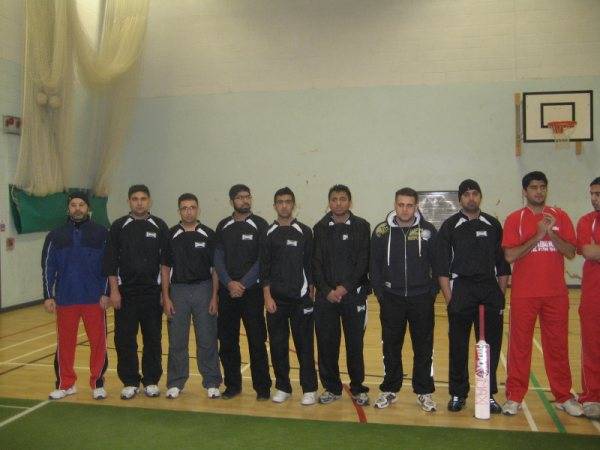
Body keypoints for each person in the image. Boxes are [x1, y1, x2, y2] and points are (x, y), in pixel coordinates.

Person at [502, 171, 582, 416]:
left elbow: (570, 252)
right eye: (534, 187)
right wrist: (537, 235)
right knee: (520, 347)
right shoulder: (515, 218)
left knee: (557, 346)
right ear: (524, 191)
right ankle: (514, 396)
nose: (539, 191)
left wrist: (551, 233)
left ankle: (563, 396)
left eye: (543, 187)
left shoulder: (561, 216)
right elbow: (510, 256)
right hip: (525, 294)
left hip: (556, 293)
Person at [434, 179, 510, 413]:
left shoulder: (493, 224)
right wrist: (450, 299)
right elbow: (441, 267)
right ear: (460, 199)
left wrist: (499, 294)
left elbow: (503, 265)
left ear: (480, 197)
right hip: (461, 291)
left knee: (488, 347)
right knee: (458, 345)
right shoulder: (450, 226)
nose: (471, 198)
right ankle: (458, 393)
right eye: (466, 194)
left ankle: (486, 394)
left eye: (475, 194)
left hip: (489, 290)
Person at [370, 187, 438, 411]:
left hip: (421, 299)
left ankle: (424, 391)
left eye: (410, 205)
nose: (405, 209)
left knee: (423, 347)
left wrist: (431, 292)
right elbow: (375, 266)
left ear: (416, 206)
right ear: (395, 204)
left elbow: (438, 264)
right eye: (401, 204)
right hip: (391, 299)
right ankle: (390, 389)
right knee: (390, 347)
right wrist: (381, 294)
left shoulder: (428, 231)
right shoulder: (381, 232)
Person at [103, 184, 169, 400]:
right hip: (126, 294)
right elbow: (111, 262)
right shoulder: (119, 226)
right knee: (124, 339)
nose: (139, 202)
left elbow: (166, 264)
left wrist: (164, 293)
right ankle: (130, 381)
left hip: (152, 294)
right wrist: (114, 291)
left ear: (149, 201)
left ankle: (151, 380)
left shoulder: (159, 226)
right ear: (129, 201)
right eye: (134, 199)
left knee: (153, 339)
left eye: (143, 198)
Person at [42, 192, 109, 400]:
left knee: (98, 342)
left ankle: (97, 383)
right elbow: (47, 266)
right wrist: (48, 295)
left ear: (88, 208)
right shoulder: (55, 235)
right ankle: (65, 384)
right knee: (65, 343)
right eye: (73, 205)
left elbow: (109, 266)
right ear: (68, 209)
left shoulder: (102, 233)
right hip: (65, 298)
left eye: (81, 205)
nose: (77, 208)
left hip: (94, 299)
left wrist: (106, 293)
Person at [313, 184, 371, 405]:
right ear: (329, 202)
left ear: (350, 202)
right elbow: (315, 263)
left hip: (353, 295)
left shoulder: (361, 226)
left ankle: (358, 388)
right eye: (334, 199)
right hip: (326, 298)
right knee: (327, 344)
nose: (338, 203)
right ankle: (331, 388)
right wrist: (327, 291)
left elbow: (362, 262)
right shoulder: (319, 228)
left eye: (343, 199)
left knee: (355, 344)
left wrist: (345, 287)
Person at [160, 193, 222, 400]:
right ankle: (176, 382)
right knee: (177, 340)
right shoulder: (170, 235)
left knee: (207, 339)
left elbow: (215, 269)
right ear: (179, 211)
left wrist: (214, 296)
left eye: (192, 207)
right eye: (184, 208)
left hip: (204, 289)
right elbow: (165, 268)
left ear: (198, 209)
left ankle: (212, 382)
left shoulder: (209, 234)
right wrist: (166, 297)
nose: (188, 211)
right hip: (178, 291)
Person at [261, 187, 318, 405]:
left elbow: (310, 264)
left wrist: (311, 289)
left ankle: (309, 388)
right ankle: (283, 386)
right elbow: (264, 268)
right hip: (276, 300)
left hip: (301, 299)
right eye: (280, 202)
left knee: (304, 345)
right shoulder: (267, 233)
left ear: (294, 204)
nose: (284, 205)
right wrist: (267, 296)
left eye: (287, 201)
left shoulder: (305, 231)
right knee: (278, 345)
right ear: (275, 206)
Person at [214, 184, 271, 400]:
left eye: (247, 197)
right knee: (227, 342)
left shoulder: (260, 225)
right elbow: (218, 258)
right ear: (232, 201)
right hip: (227, 294)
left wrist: (243, 284)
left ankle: (263, 388)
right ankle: (232, 386)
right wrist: (229, 283)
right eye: (240, 197)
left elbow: (262, 259)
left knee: (257, 341)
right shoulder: (223, 226)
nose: (245, 201)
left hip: (253, 293)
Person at [576, 177, 600, 420]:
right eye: (592, 193)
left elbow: (596, 251)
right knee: (592, 347)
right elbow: (588, 250)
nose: (594, 198)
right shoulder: (586, 222)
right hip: (593, 296)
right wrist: (594, 250)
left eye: (598, 194)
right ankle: (592, 396)